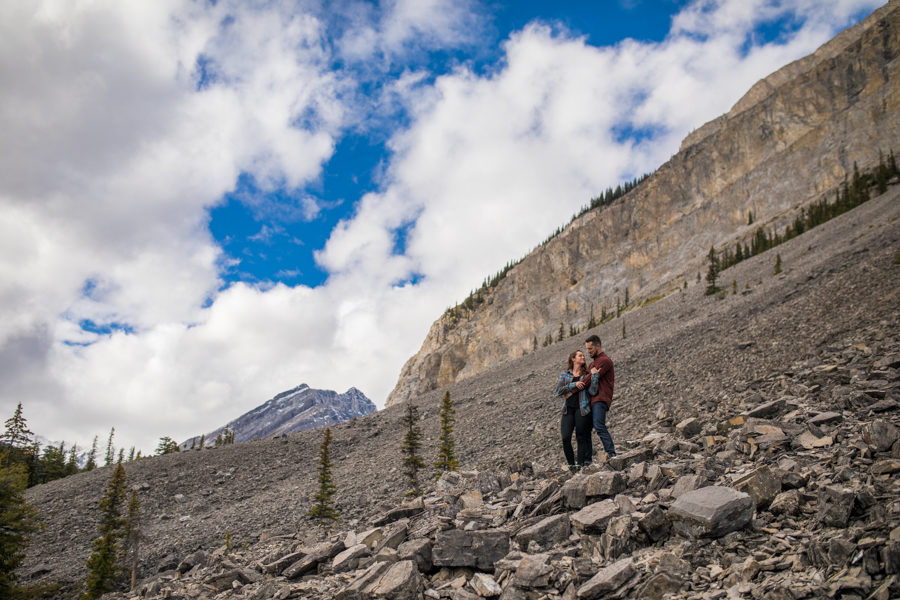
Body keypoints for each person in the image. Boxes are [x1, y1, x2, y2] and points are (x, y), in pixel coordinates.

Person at [554, 349, 593, 472]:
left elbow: (592, 391)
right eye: (580, 356)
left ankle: (579, 464)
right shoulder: (565, 374)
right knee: (565, 437)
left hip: (582, 408)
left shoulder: (586, 374)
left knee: (580, 437)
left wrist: (594, 377)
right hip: (568, 410)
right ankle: (571, 464)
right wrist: (573, 385)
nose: (583, 357)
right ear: (573, 359)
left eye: (583, 356)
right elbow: (558, 391)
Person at [585, 334, 616, 459]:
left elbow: (587, 380)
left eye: (590, 349)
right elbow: (588, 377)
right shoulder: (592, 365)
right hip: (592, 400)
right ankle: (587, 458)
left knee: (599, 425)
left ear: (598, 346)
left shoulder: (605, 361)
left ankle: (612, 453)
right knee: (587, 429)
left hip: (600, 399)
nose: (588, 352)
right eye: (587, 349)